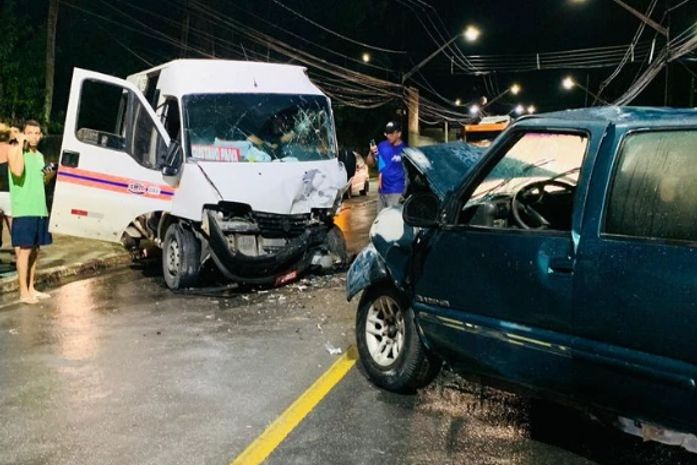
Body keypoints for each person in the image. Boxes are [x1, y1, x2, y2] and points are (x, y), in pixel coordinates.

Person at [7, 120, 55, 304]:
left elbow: (42, 181)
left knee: (35, 250)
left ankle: (32, 288)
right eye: (29, 132)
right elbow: (17, 172)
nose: (33, 136)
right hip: (24, 209)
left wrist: (50, 172)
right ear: (23, 133)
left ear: (41, 135)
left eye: (37, 133)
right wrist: (18, 142)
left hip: (39, 208)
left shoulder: (40, 156)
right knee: (24, 251)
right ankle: (23, 292)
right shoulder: (15, 151)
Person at [368, 121, 407, 211]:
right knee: (380, 221)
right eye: (386, 133)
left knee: (393, 220)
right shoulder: (382, 146)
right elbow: (370, 164)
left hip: (396, 191)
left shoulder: (405, 150)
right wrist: (371, 152)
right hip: (382, 191)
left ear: (399, 134)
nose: (388, 136)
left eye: (391, 133)